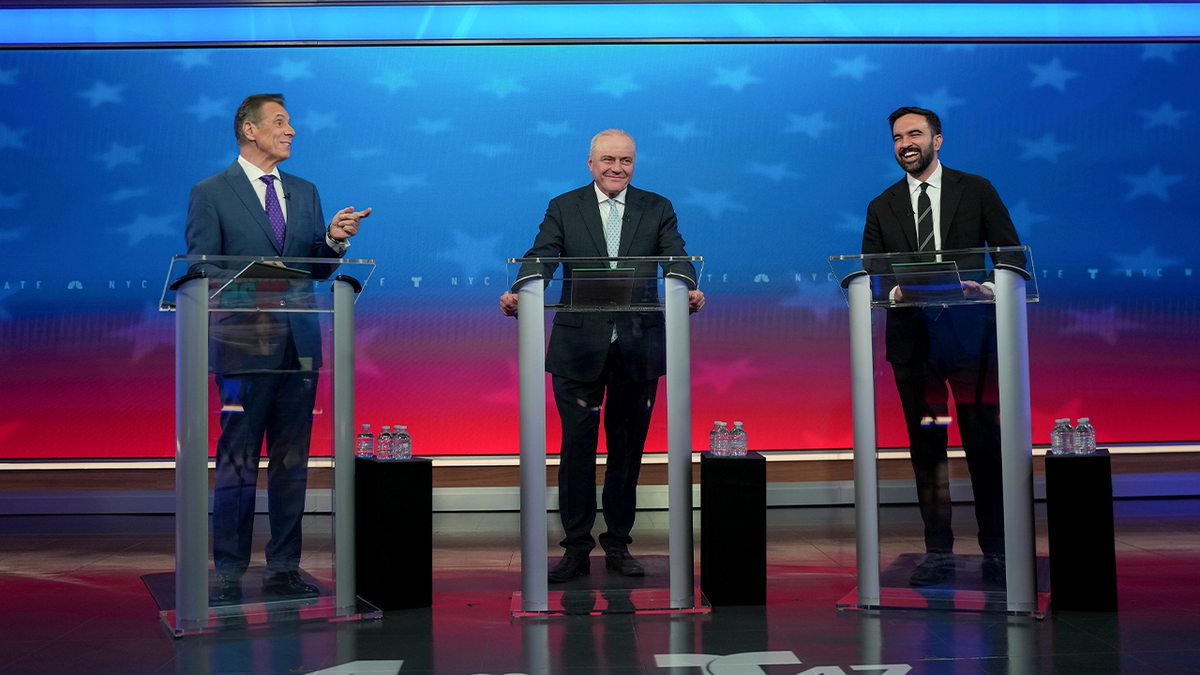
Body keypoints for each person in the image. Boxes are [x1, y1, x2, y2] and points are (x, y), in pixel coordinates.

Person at [185, 94, 372, 605]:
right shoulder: (212, 192)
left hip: (300, 344)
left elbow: (314, 270)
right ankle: (227, 571)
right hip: (242, 344)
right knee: (238, 459)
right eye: (280, 123)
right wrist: (257, 281)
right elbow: (201, 267)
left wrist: (332, 242)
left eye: (290, 123)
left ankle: (285, 566)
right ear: (249, 129)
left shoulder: (304, 192)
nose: (291, 131)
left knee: (292, 460)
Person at [499, 129, 705, 583]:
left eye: (626, 160)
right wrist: (521, 290)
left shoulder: (657, 207)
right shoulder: (564, 206)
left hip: (638, 345)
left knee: (627, 451)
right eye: (608, 159)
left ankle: (617, 543)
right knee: (577, 451)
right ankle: (575, 547)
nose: (617, 168)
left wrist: (687, 285)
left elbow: (677, 256)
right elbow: (542, 256)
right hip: (578, 348)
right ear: (590, 163)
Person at [861, 107, 1026, 587]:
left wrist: (988, 288)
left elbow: (1012, 256)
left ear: (938, 139)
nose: (905, 143)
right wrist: (893, 291)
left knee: (984, 445)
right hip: (915, 345)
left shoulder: (975, 189)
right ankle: (938, 551)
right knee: (928, 451)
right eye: (897, 137)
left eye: (915, 134)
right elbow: (873, 273)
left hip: (973, 341)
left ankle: (997, 550)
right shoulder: (881, 204)